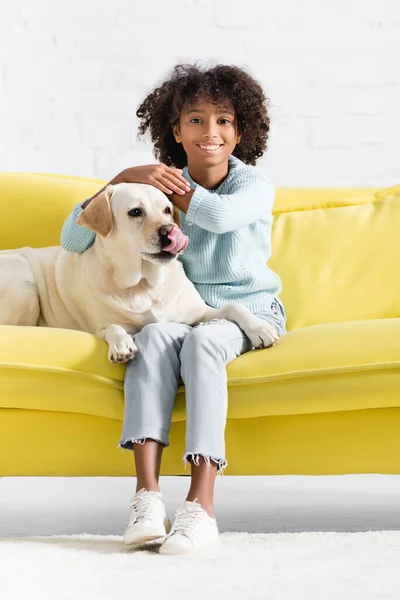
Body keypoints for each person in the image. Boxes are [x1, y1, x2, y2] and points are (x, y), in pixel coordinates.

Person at [61, 63, 286, 555]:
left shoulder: (251, 185)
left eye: (224, 120)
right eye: (196, 120)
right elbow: (71, 238)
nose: (211, 132)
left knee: (205, 339)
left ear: (241, 130)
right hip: (179, 314)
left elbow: (221, 217)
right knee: (150, 341)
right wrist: (118, 181)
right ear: (175, 131)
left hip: (245, 311)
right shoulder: (151, 187)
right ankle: (147, 498)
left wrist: (158, 186)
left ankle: (201, 507)